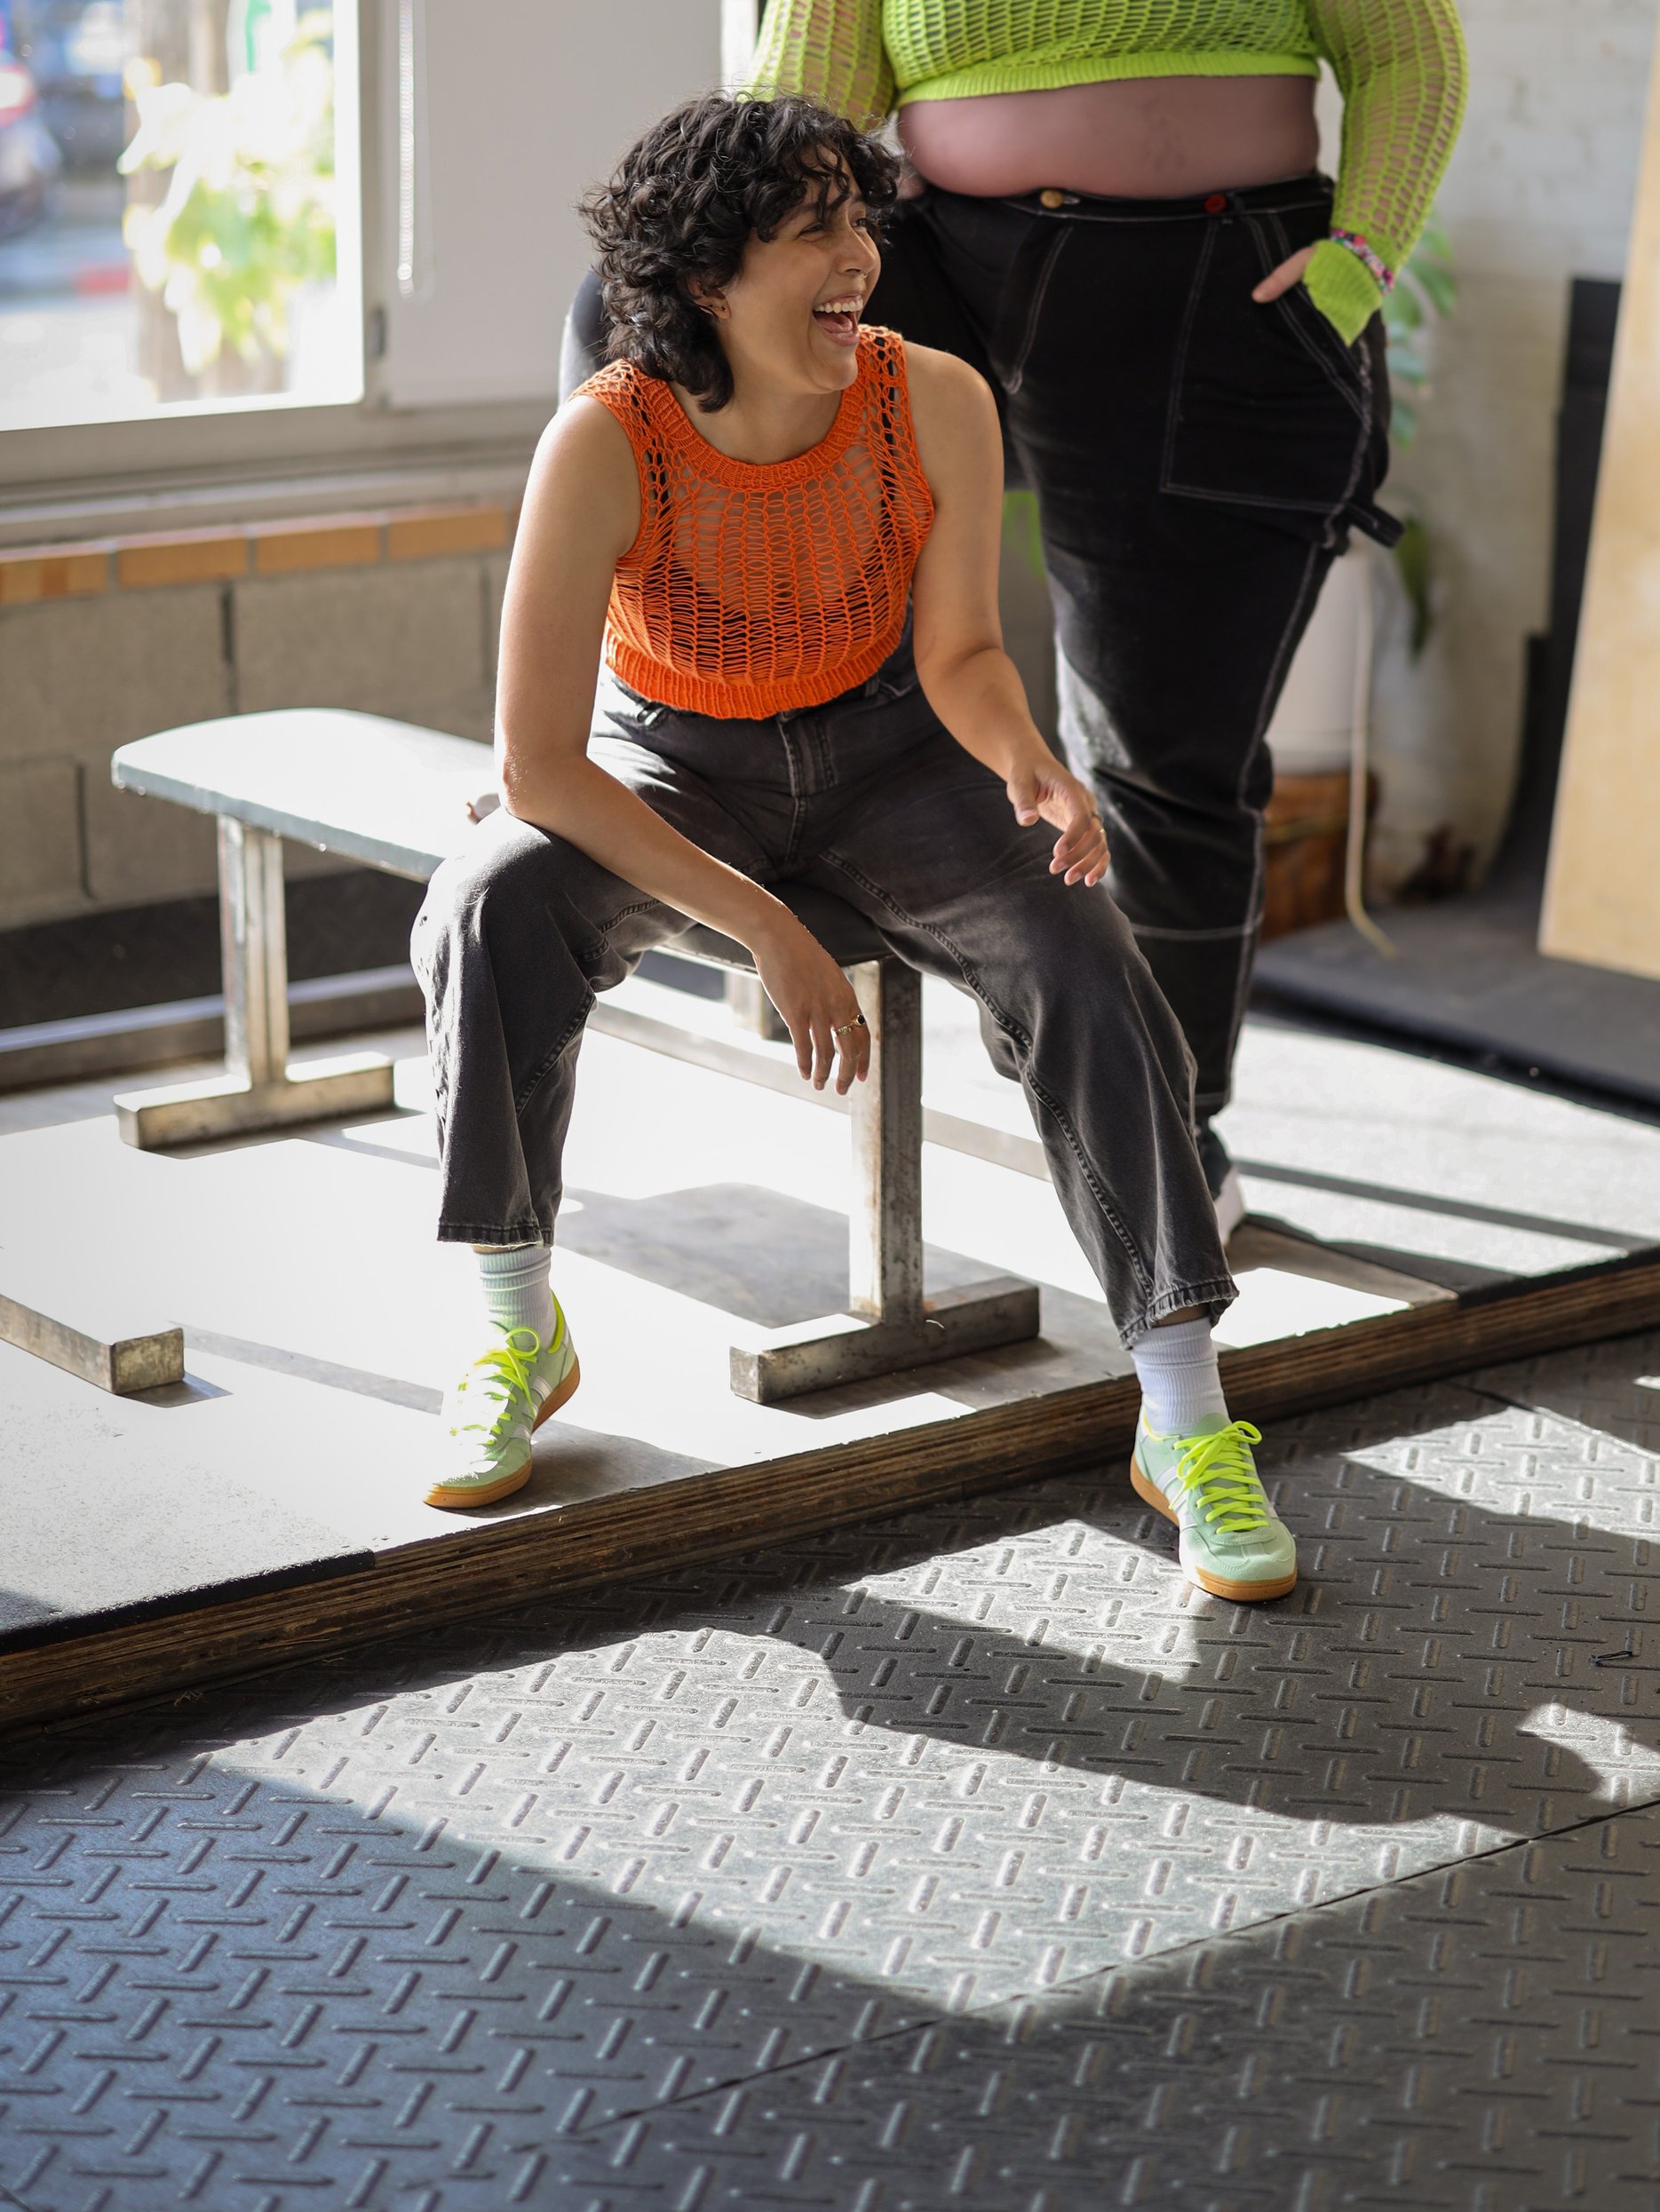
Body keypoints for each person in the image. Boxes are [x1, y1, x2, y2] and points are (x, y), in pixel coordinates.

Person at [416, 92, 1299, 1605]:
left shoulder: (934, 397)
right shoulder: (606, 439)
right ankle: (517, 1324)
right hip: (678, 757)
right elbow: (541, 764)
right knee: (489, 903)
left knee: (1082, 948)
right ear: (707, 274)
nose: (861, 259)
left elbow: (962, 654)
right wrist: (765, 924)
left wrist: (1027, 760)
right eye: (814, 230)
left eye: (861, 222)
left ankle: (1183, 1409)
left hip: (894, 746)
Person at [735, 0, 1467, 1214]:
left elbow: (1407, 50)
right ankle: (675, 797)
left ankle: (1170, 1124)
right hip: (946, 274)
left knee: (1166, 747)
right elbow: (797, 121)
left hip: (1212, 293)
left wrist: (1357, 262)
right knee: (668, 368)